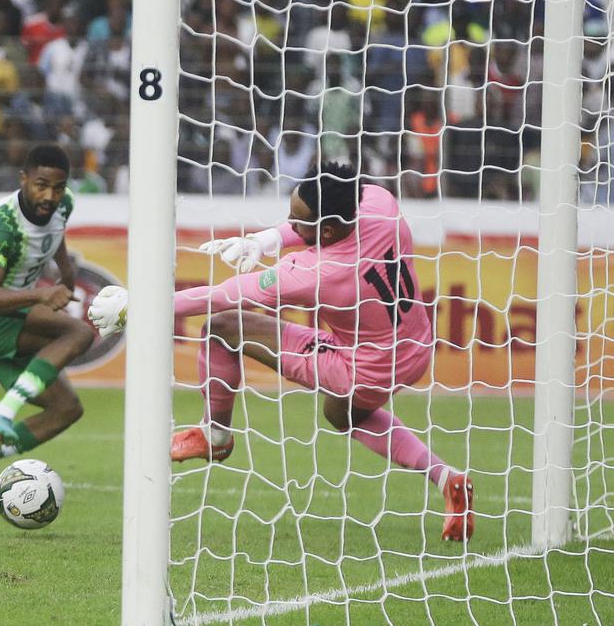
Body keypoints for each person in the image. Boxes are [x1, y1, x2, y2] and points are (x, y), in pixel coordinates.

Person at [88, 162, 475, 542]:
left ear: (327, 229)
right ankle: (447, 478)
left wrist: (138, 304)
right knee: (341, 414)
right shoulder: (379, 202)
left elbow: (220, 296)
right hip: (417, 343)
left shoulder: (315, 273)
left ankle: (216, 434)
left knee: (223, 328)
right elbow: (313, 226)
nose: (290, 224)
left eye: (298, 221)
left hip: (365, 367)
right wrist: (265, 239)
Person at [0, 144, 91, 487]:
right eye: (41, 184)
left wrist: (66, 276)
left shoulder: (64, 203)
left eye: (57, 187)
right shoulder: (2, 224)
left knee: (66, 409)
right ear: (23, 179)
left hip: (14, 315)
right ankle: (2, 412)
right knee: (78, 335)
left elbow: (56, 238)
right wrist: (42, 293)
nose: (50, 195)